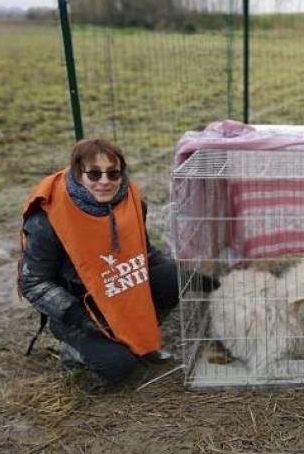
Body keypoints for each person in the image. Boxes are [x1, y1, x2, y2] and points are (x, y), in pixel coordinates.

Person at [19, 138, 212, 387]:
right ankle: (74, 349)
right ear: (78, 174)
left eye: (113, 173)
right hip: (81, 307)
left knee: (175, 276)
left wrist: (191, 276)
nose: (104, 182)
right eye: (94, 174)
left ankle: (140, 337)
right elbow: (33, 282)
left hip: (122, 290)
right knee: (118, 367)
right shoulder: (47, 218)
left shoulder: (131, 201)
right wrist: (80, 318)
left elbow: (143, 251)